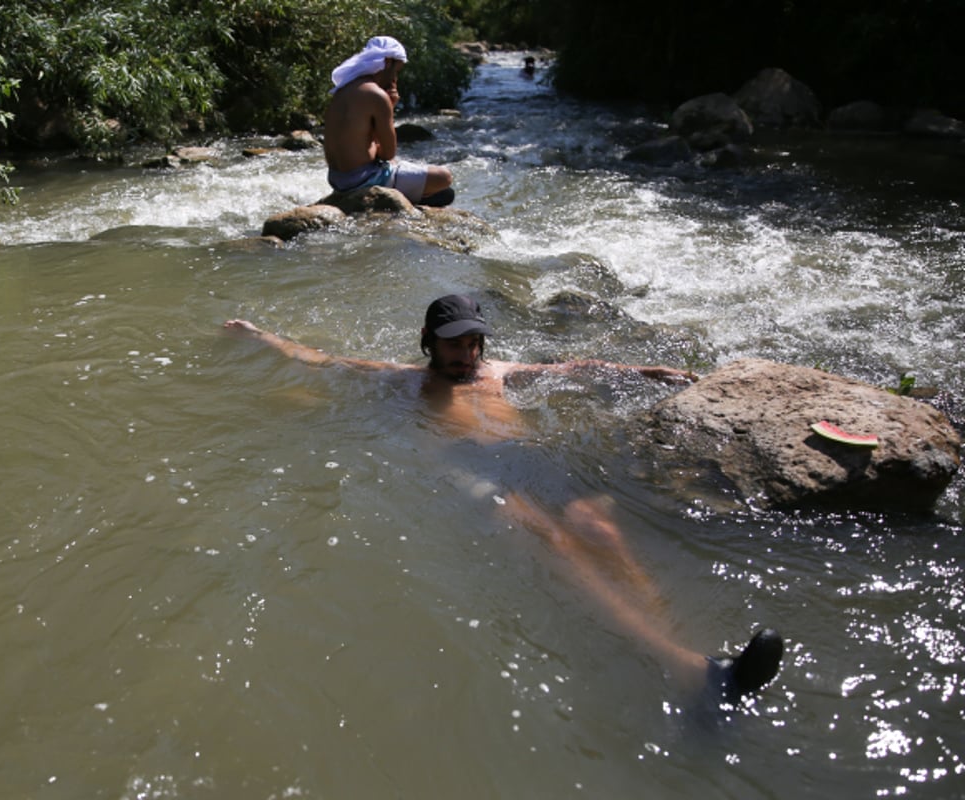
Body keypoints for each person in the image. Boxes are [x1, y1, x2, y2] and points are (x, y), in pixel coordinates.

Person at [224, 295, 784, 712]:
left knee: (599, 529)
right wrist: (259, 336)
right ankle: (688, 669)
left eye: (473, 343)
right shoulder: (402, 381)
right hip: (468, 468)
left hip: (524, 460)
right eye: (453, 344)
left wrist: (647, 372)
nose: (466, 355)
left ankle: (690, 660)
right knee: (550, 537)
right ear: (427, 340)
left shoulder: (499, 372)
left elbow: (575, 369)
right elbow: (319, 359)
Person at [323, 36, 455, 207]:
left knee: (439, 191)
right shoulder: (377, 95)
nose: (395, 77)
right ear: (388, 61)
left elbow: (364, 146)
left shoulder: (343, 90)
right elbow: (387, 154)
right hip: (362, 180)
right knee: (444, 178)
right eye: (396, 71)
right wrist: (390, 106)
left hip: (338, 180)